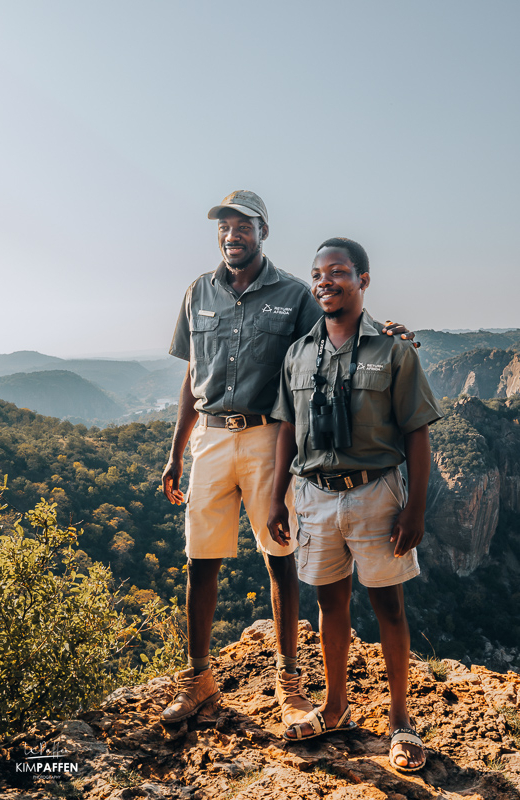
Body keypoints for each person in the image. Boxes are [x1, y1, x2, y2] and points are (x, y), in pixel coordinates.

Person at [161, 192, 415, 728]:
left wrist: (387, 332)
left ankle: (289, 680)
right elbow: (190, 376)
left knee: (280, 555)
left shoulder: (296, 294)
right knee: (199, 557)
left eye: (243, 225)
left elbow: (336, 329)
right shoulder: (196, 292)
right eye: (225, 225)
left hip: (267, 435)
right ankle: (198, 679)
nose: (233, 233)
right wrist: (176, 451)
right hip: (209, 435)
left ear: (263, 231)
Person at [268, 237, 442, 771]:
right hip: (314, 495)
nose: (325, 281)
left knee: (388, 604)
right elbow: (287, 429)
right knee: (329, 603)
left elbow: (416, 432)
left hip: (376, 493)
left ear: (362, 281)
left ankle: (399, 722)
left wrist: (415, 508)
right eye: (318, 273)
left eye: (338, 271)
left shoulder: (392, 350)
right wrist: (276, 497)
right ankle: (335, 706)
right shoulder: (298, 353)